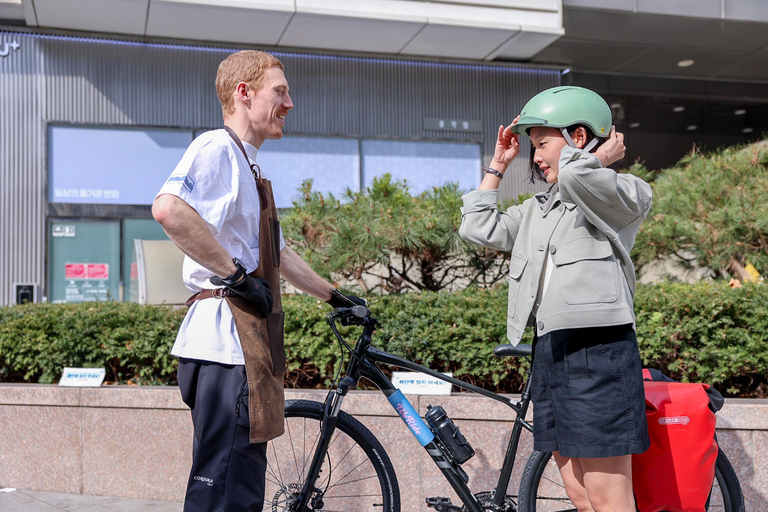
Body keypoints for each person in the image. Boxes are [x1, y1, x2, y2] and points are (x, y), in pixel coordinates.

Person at [152, 50, 363, 512]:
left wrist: (336, 297)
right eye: (280, 92)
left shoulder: (251, 168)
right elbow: (169, 210)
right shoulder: (217, 148)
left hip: (240, 346)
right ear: (244, 93)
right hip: (224, 344)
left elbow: (278, 255)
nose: (290, 103)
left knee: (239, 488)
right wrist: (235, 275)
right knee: (222, 489)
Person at [459, 86, 652, 512]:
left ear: (579, 137)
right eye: (532, 148)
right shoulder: (538, 209)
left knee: (608, 498)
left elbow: (579, 178)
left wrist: (595, 160)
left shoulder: (626, 193)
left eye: (542, 144)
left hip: (598, 349)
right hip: (550, 350)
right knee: (581, 496)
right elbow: (477, 227)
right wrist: (497, 165)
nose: (535, 158)